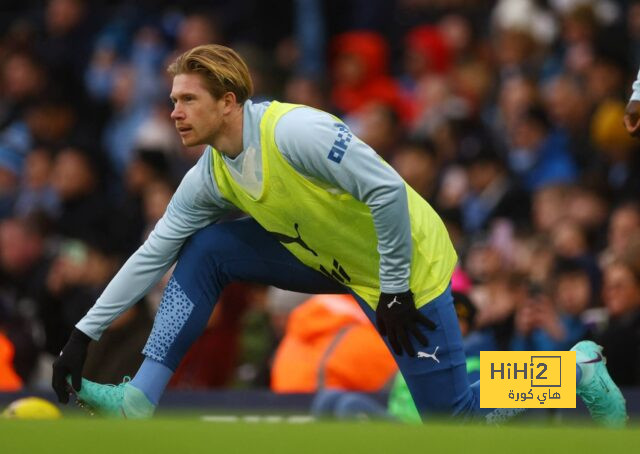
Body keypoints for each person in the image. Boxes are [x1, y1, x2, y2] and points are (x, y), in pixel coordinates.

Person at [51, 44, 626, 426]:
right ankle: (138, 398)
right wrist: (85, 332)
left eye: (187, 99)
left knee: (453, 417)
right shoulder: (210, 174)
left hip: (408, 266)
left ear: (229, 102)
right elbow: (155, 252)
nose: (174, 111)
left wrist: (396, 287)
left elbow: (387, 191)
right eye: (173, 100)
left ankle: (571, 373)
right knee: (205, 248)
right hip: (339, 264)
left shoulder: (298, 132)